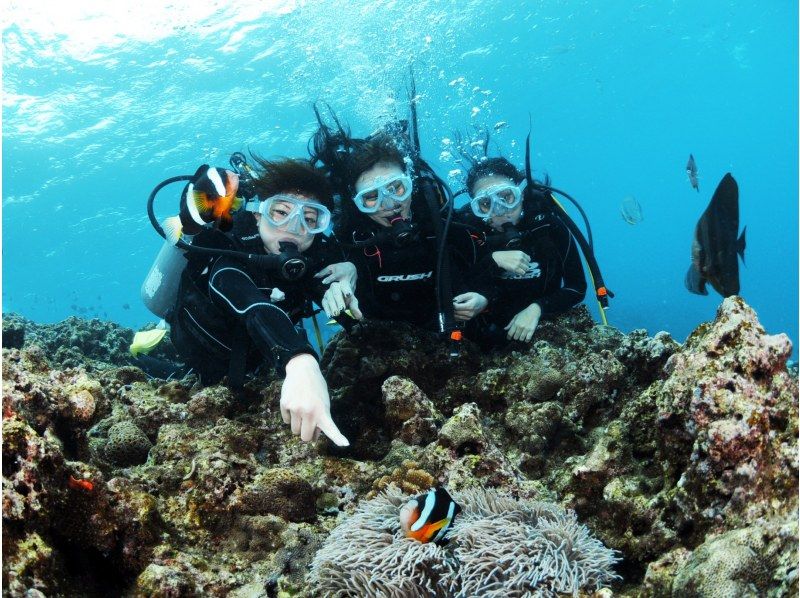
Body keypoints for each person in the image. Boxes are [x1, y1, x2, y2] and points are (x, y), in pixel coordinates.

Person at [166, 157, 359, 446]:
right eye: (280, 212)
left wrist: (348, 280)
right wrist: (300, 362)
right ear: (258, 214)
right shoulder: (229, 253)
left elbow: (351, 312)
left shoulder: (311, 261)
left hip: (255, 371)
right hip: (194, 365)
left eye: (310, 219)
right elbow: (252, 305)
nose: (295, 227)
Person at [309, 115, 490, 332]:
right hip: (378, 342)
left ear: (411, 184)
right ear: (357, 203)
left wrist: (483, 297)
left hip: (452, 337)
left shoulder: (442, 223)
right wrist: (338, 280)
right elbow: (310, 277)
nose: (390, 203)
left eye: (397, 188)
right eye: (371, 197)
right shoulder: (348, 239)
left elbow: (483, 266)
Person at [455, 157, 587, 346]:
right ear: (476, 207)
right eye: (485, 203)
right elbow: (455, 286)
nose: (500, 211)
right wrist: (491, 262)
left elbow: (576, 287)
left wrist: (537, 308)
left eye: (507, 197)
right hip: (481, 341)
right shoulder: (469, 233)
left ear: (522, 194)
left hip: (545, 335)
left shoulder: (548, 226)